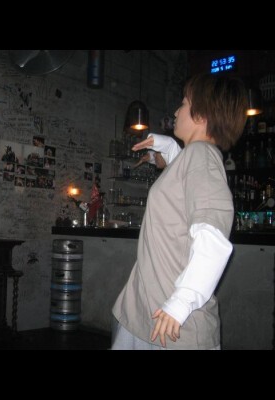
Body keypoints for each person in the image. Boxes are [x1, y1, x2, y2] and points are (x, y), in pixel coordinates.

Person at [111, 73, 248, 350]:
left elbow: (212, 237)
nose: (176, 111)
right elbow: (181, 176)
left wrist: (180, 302)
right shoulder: (194, 156)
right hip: (149, 313)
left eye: (184, 103)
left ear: (202, 114)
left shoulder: (202, 156)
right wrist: (167, 145)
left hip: (173, 326)